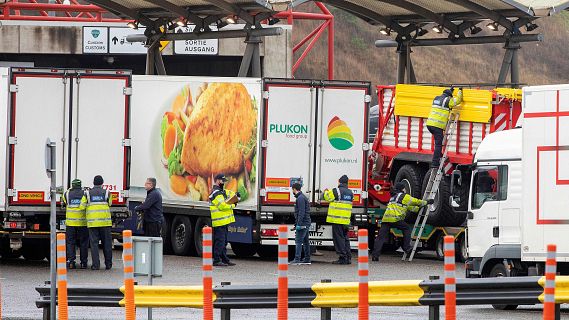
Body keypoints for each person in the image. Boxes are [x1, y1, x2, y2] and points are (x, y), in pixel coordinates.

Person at [371, 182, 432, 261]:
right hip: (395, 219)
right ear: (402, 189)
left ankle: (375, 256)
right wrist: (427, 202)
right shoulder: (404, 196)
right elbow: (416, 201)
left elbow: (407, 207)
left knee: (380, 238)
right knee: (406, 229)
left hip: (386, 219)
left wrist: (418, 209)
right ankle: (407, 248)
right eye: (404, 188)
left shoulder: (393, 197)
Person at [426, 87, 463, 168]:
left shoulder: (436, 98)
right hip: (437, 126)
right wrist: (460, 91)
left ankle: (440, 155)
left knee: (438, 142)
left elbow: (444, 102)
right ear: (449, 96)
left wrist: (451, 91)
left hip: (429, 124)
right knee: (438, 145)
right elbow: (458, 100)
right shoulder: (448, 100)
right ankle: (435, 163)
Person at [209, 174, 239, 267]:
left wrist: (236, 196)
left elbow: (229, 194)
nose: (223, 183)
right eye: (222, 181)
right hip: (219, 222)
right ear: (217, 181)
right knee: (220, 241)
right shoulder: (216, 193)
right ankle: (217, 260)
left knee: (224, 241)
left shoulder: (222, 191)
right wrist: (233, 205)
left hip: (224, 221)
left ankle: (224, 259)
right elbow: (222, 206)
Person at [323, 175, 353, 265]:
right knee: (345, 239)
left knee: (339, 239)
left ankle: (342, 257)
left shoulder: (336, 191)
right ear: (347, 183)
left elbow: (328, 197)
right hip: (346, 220)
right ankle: (348, 257)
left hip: (337, 219)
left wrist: (325, 192)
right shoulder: (350, 192)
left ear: (339, 182)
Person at [85, 175, 113, 270]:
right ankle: (108, 264)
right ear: (102, 183)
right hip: (105, 223)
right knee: (107, 244)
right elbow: (110, 203)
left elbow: (82, 205)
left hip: (93, 223)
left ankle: (96, 265)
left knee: (94, 245)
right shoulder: (107, 193)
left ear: (93, 182)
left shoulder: (87, 193)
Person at [62, 179, 89, 269]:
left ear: (72, 185)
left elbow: (65, 202)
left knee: (70, 242)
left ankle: (71, 261)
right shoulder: (85, 193)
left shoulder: (67, 193)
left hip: (70, 222)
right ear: (80, 185)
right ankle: (83, 263)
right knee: (83, 243)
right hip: (82, 222)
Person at [289, 183, 311, 265]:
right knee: (305, 241)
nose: (292, 191)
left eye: (292, 190)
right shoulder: (302, 197)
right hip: (306, 222)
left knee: (298, 241)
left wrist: (298, 224)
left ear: (294, 189)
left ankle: (297, 259)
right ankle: (307, 259)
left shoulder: (300, 198)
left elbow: (301, 212)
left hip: (303, 223)